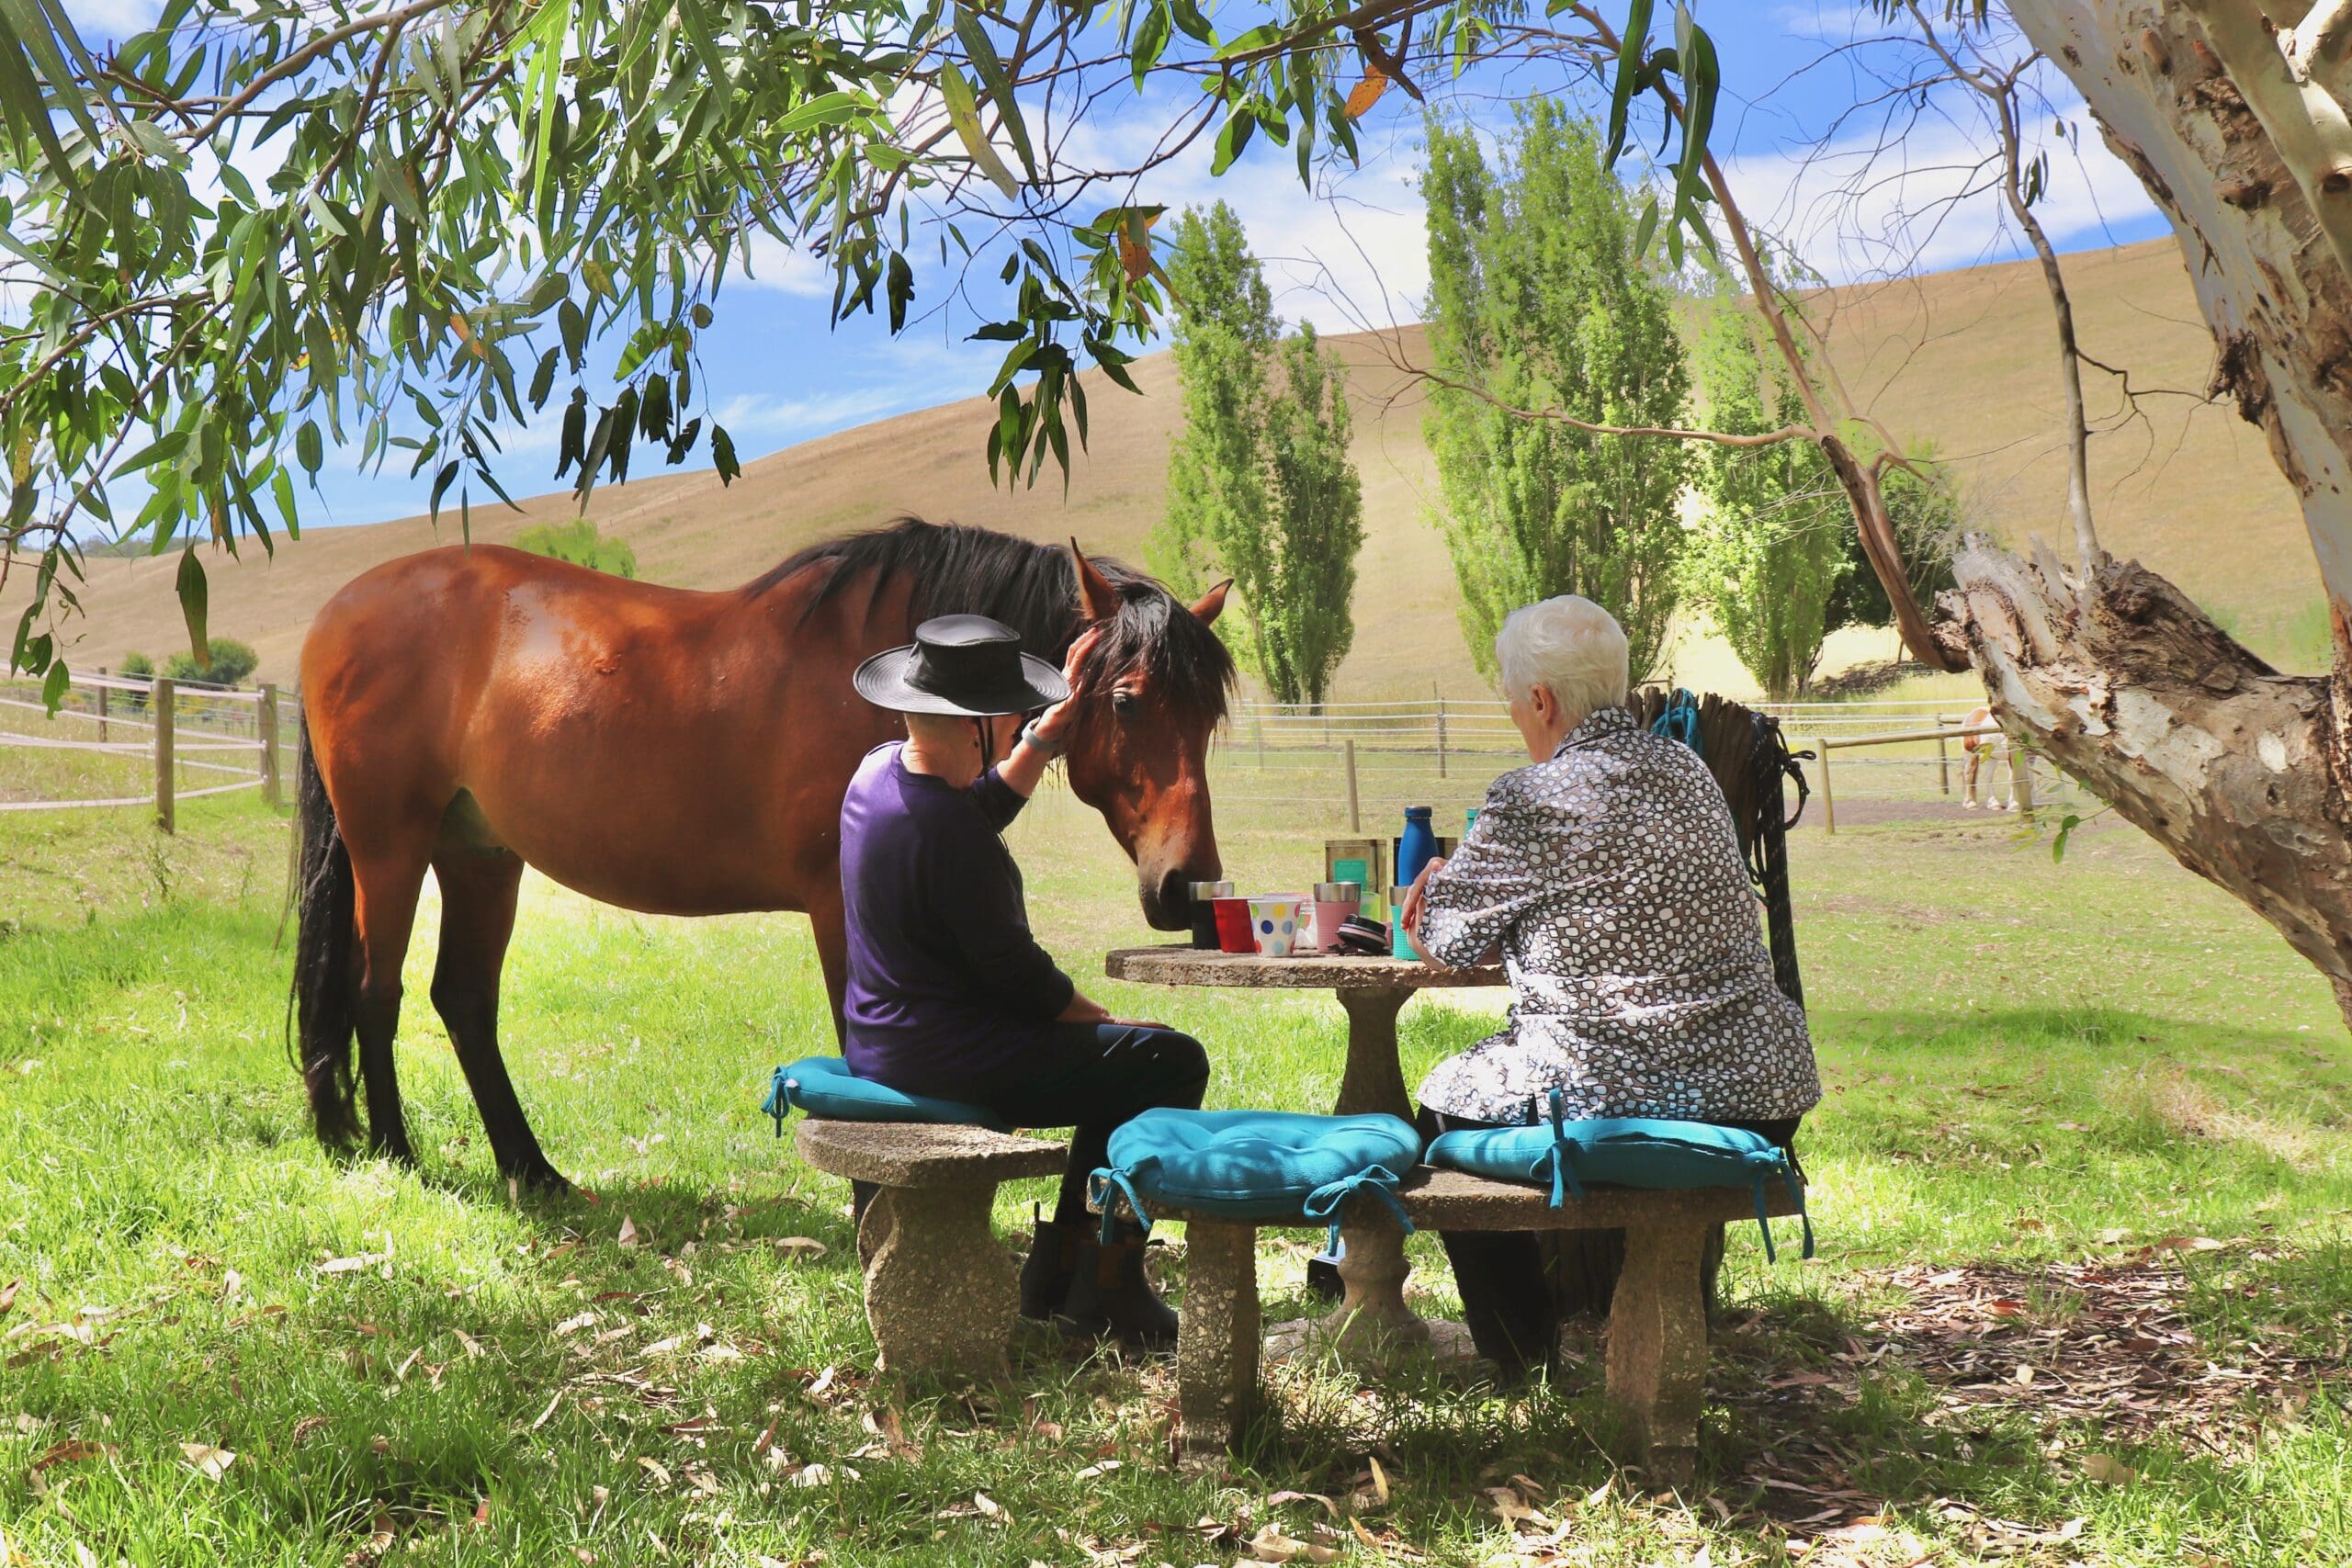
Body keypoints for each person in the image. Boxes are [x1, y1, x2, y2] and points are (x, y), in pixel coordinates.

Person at [1399, 595, 1820, 1371]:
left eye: (1510, 695)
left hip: (1606, 1103)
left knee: (1437, 1109)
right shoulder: (1690, 772)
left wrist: (1426, 888)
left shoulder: (1529, 798)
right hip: (1760, 1101)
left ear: (1541, 700)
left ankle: (1522, 1359)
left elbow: (1448, 942)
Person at [839, 613, 1209, 1348]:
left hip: (887, 1043)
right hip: (953, 1060)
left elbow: (965, 818)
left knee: (1124, 1061)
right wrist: (1112, 1023)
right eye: (1012, 714)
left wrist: (1043, 740)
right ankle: (1105, 1286)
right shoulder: (946, 833)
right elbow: (1024, 982)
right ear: (976, 724)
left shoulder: (880, 771)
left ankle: (1059, 1271)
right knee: (1168, 1063)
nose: (1018, 723)